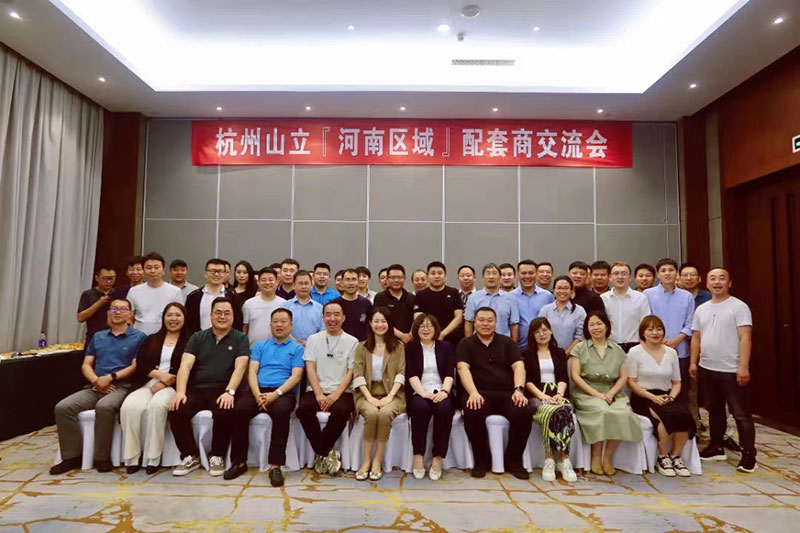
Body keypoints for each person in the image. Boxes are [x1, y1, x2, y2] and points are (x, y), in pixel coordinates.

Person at [50, 298, 146, 474]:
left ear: (130, 314)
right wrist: (97, 381)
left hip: (121, 386)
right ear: (108, 312)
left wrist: (110, 378)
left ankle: (101, 457)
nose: (118, 312)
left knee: (105, 406)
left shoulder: (139, 338)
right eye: (114, 309)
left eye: (123, 309)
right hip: (96, 385)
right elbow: (86, 365)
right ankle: (71, 456)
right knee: (63, 407)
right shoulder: (98, 337)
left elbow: (135, 366)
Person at [168, 297, 250, 477]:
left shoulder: (240, 338)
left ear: (233, 316)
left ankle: (217, 455)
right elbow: (185, 365)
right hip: (197, 389)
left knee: (225, 409)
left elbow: (240, 368)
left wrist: (230, 392)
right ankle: (190, 455)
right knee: (176, 409)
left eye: (227, 313)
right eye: (218, 313)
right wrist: (180, 392)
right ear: (211, 315)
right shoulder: (198, 337)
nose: (222, 317)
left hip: (223, 389)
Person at [225, 308, 304, 485]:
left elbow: (296, 376)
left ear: (291, 325)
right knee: (239, 410)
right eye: (275, 321)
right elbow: (252, 371)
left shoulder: (297, 348)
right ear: (270, 324)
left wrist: (275, 395)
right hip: (258, 390)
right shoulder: (260, 346)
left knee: (281, 412)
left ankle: (275, 466)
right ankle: (239, 462)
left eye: (283, 321)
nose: (279, 325)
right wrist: (257, 395)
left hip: (282, 392)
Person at [689, 268, 756, 473]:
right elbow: (696, 338)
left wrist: (743, 366)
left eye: (722, 278)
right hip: (708, 367)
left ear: (729, 283)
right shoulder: (702, 309)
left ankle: (749, 455)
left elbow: (746, 337)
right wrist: (693, 362)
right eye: (713, 279)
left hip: (732, 369)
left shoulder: (739, 307)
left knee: (741, 414)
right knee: (714, 410)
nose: (717, 282)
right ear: (707, 283)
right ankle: (716, 446)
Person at [457, 307, 534, 479]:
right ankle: (482, 461)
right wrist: (473, 392)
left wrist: (519, 390)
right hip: (479, 392)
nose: (486, 324)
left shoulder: (507, 342)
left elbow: (519, 366)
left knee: (524, 411)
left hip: (506, 392)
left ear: (496, 322)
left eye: (490, 320)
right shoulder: (465, 344)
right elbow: (463, 369)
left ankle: (513, 461)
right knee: (473, 410)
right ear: (474, 323)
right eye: (481, 320)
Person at [570, 311, 642, 476]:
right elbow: (575, 376)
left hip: (612, 392)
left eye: (599, 324)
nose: (595, 328)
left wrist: (610, 393)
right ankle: (596, 456)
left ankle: (608, 456)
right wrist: (597, 395)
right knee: (602, 410)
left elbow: (623, 376)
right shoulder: (580, 348)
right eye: (591, 325)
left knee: (623, 413)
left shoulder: (617, 349)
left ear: (607, 326)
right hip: (587, 392)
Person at [119, 302, 188, 474]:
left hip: (173, 386)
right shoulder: (151, 339)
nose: (173, 319)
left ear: (184, 318)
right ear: (163, 318)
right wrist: (159, 375)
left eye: (178, 315)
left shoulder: (191, 340)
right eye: (169, 315)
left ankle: (153, 458)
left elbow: (190, 368)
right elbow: (141, 364)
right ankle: (132, 457)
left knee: (156, 407)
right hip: (147, 383)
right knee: (129, 407)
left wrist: (165, 382)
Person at [627, 315, 695, 477]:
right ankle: (663, 457)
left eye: (659, 329)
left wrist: (671, 397)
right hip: (643, 396)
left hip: (666, 395)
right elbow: (631, 382)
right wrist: (651, 397)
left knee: (684, 415)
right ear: (643, 333)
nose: (655, 333)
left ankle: (676, 456)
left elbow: (676, 383)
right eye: (650, 329)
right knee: (665, 416)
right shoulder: (635, 352)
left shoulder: (671, 353)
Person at [296, 301, 358, 475]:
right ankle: (326, 452)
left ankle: (321, 452)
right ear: (323, 318)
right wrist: (319, 394)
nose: (332, 319)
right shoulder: (313, 339)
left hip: (342, 391)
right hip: (317, 389)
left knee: (342, 411)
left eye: (337, 314)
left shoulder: (352, 341)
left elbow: (351, 372)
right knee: (303, 410)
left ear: (344, 318)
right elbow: (310, 368)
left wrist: (335, 395)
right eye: (328, 315)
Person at [352, 307, 406, 481]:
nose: (380, 325)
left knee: (384, 414)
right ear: (370, 323)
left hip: (393, 393)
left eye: (384, 321)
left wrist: (390, 396)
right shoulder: (361, 347)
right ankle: (366, 460)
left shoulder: (398, 347)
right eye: (376, 321)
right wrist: (370, 398)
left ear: (389, 324)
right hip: (367, 393)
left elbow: (401, 373)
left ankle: (377, 460)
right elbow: (358, 375)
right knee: (372, 413)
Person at [523, 318, 577, 482]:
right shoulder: (526, 354)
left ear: (551, 331)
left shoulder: (559, 352)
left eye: (545, 330)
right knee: (550, 411)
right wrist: (543, 396)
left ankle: (564, 460)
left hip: (557, 392)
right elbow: (527, 381)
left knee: (564, 409)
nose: (542, 334)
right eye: (537, 331)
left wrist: (559, 395)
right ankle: (549, 459)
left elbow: (563, 377)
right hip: (536, 394)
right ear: (532, 335)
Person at [406, 314, 455, 481]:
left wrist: (445, 392)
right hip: (419, 390)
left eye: (429, 326)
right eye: (422, 326)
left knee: (444, 409)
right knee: (419, 408)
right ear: (416, 329)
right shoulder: (411, 347)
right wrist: (422, 393)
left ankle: (437, 457)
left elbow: (449, 373)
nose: (425, 329)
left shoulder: (445, 347)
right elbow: (411, 373)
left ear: (436, 329)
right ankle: (418, 455)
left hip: (441, 390)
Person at [645, 258, 695, 403]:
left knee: (681, 391)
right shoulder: (648, 294)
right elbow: (646, 321)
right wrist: (662, 342)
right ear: (658, 274)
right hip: (654, 350)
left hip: (681, 351)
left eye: (671, 270)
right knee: (657, 390)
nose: (667, 273)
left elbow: (690, 324)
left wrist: (674, 341)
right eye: (663, 271)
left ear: (677, 273)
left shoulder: (687, 296)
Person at [127, 252, 183, 335]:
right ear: (143, 270)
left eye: (156, 267)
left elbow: (179, 317)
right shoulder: (133, 291)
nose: (152, 271)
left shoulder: (175, 291)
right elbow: (129, 317)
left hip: (165, 336)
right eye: (149, 268)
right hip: (139, 336)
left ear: (163, 270)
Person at [601, 262, 651, 353]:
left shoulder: (641, 298)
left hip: (635, 347)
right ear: (610, 277)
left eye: (624, 274)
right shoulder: (603, 298)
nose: (620, 277)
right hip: (610, 347)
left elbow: (645, 323)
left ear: (630, 277)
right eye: (616, 274)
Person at [464, 263, 520, 342]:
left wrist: (513, 345)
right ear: (483, 277)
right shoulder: (473, 298)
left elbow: (514, 324)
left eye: (494, 273)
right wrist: (469, 344)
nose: (491, 277)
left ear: (500, 277)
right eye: (488, 273)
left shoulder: (510, 298)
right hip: (478, 343)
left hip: (503, 343)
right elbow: (469, 323)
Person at [185, 258, 243, 334]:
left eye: (220, 271)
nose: (216, 274)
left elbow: (238, 323)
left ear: (225, 274)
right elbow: (188, 324)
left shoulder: (233, 297)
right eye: (212, 271)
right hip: (200, 339)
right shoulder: (193, 297)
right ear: (205, 273)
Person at [412, 261, 463, 346]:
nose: (436, 276)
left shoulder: (454, 292)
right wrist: (431, 333)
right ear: (428, 277)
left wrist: (442, 334)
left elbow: (458, 317)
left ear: (445, 276)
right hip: (427, 339)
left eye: (440, 273)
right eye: (433, 273)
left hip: (451, 339)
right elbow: (418, 317)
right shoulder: (421, 295)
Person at [513, 259, 555, 351]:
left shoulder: (547, 296)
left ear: (536, 274)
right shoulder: (510, 297)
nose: (527, 276)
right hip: (518, 349)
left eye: (531, 273)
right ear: (518, 275)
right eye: (523, 273)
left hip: (542, 348)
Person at [538, 276, 586, 353]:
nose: (562, 291)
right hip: (548, 354)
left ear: (571, 291)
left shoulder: (579, 311)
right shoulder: (545, 310)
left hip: (573, 355)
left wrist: (566, 354)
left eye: (566, 288)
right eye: (559, 288)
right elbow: (539, 333)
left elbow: (580, 336)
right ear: (554, 291)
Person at [242, 267, 286, 347]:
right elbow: (245, 329)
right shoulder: (248, 304)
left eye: (270, 280)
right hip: (253, 349)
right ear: (258, 282)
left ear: (277, 282)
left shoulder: (284, 304)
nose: (267, 283)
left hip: (278, 349)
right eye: (263, 280)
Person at [374, 264, 416, 343]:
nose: (396, 280)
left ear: (404, 279)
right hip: (387, 341)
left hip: (410, 341)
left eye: (399, 277)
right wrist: (401, 336)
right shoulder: (380, 297)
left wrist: (410, 335)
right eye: (392, 277)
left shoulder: (412, 298)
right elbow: (379, 320)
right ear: (387, 279)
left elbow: (416, 319)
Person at [281, 270, 324, 346]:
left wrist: (309, 343)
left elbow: (323, 330)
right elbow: (281, 327)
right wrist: (294, 342)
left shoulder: (320, 308)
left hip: (314, 347)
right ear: (293, 285)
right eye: (300, 283)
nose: (304, 287)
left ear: (311, 285)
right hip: (289, 347)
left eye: (306, 283)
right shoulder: (284, 306)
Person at [77, 265, 117, 345]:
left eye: (111, 278)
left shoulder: (118, 293)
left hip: (114, 337)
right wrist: (98, 304)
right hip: (93, 337)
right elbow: (80, 318)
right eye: (104, 278)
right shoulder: (88, 294)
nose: (108, 282)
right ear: (97, 278)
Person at [333, 269, 373, 341]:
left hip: (361, 344)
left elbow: (370, 325)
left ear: (358, 282)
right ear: (342, 283)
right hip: (340, 343)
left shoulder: (366, 303)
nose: (351, 283)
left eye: (354, 279)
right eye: (347, 279)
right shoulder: (335, 304)